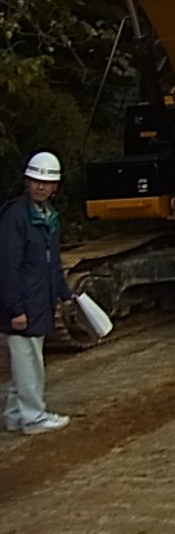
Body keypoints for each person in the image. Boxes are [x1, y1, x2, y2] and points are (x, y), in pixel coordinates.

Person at [0, 152, 73, 435]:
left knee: (25, 362)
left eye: (47, 182)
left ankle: (15, 415)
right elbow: (7, 267)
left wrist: (65, 294)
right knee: (30, 363)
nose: (41, 186)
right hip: (23, 305)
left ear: (55, 186)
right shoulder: (15, 217)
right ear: (27, 181)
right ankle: (34, 417)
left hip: (38, 300)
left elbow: (52, 262)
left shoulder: (47, 217)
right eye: (36, 181)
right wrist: (15, 309)